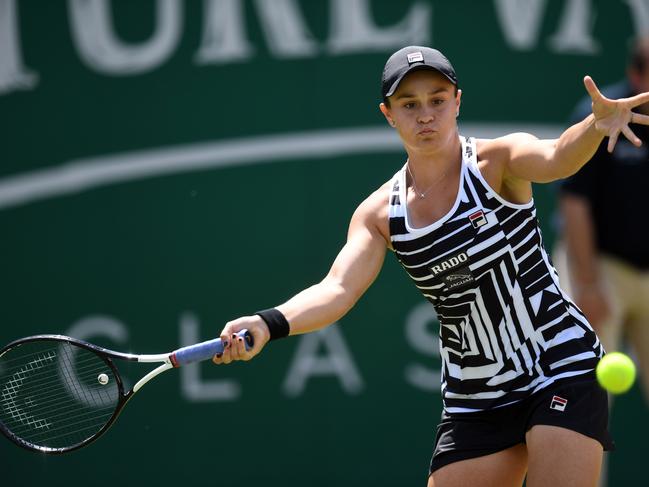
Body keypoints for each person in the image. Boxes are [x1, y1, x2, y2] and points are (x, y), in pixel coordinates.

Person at [212, 46, 649, 486]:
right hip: (475, 394)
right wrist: (268, 323)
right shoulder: (380, 214)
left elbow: (557, 157)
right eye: (409, 105)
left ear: (457, 101)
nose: (426, 115)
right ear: (389, 114)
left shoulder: (496, 162)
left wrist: (594, 126)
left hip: (557, 363)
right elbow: (337, 289)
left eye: (437, 100)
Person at [555, 37, 649, 406]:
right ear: (635, 74)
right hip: (599, 266)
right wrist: (588, 285)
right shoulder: (600, 116)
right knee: (587, 404)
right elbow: (574, 202)